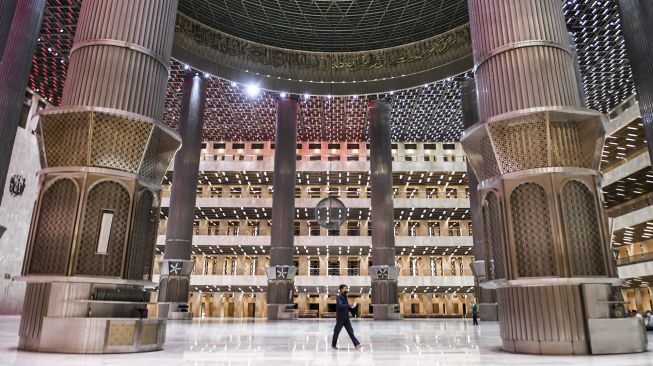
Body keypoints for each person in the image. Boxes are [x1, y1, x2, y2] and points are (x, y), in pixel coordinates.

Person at [332, 284, 363, 350]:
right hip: (340, 318)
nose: (346, 289)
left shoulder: (345, 296)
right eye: (345, 288)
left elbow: (346, 306)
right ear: (341, 289)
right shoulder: (339, 297)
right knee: (336, 332)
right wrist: (349, 305)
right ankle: (333, 345)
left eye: (347, 288)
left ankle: (356, 344)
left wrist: (351, 307)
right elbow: (340, 306)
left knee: (350, 331)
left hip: (346, 318)